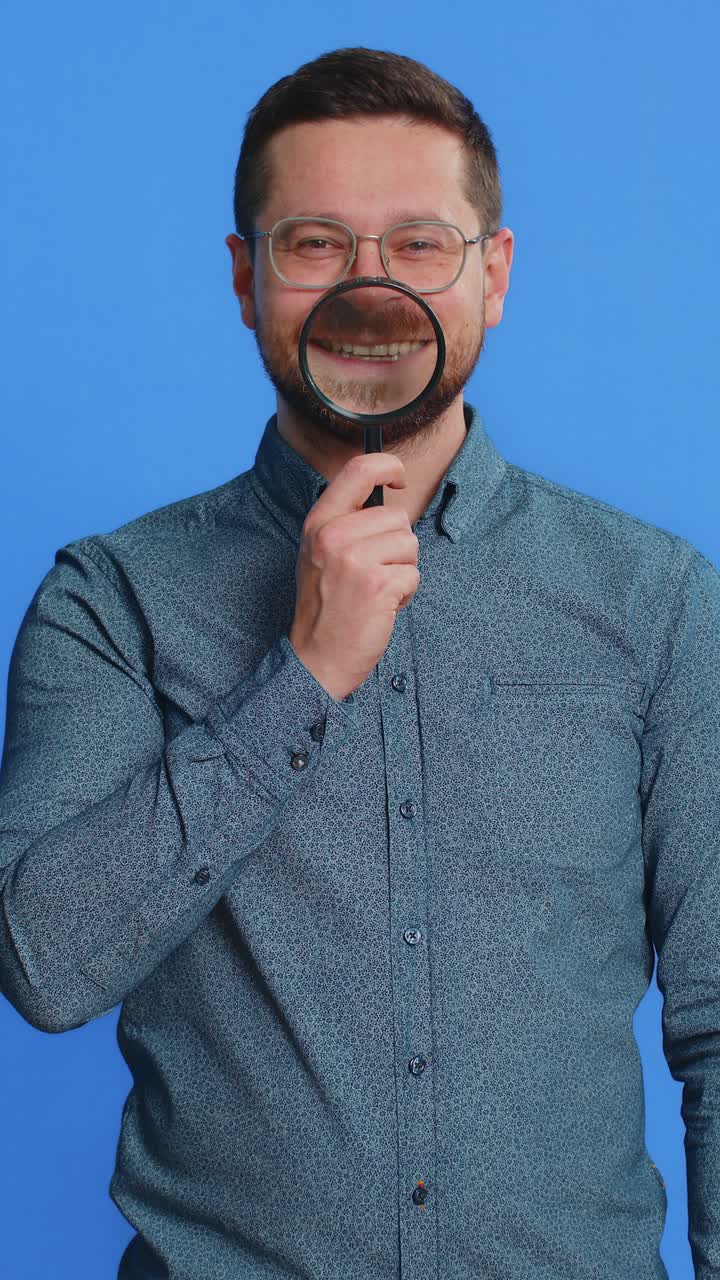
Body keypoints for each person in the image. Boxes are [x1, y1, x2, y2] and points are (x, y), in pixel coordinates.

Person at [0, 44, 718, 1280]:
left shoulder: (657, 600)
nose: (372, 288)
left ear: (494, 274)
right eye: (318, 243)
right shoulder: (110, 597)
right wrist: (303, 672)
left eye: (421, 244)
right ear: (247, 277)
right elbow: (43, 962)